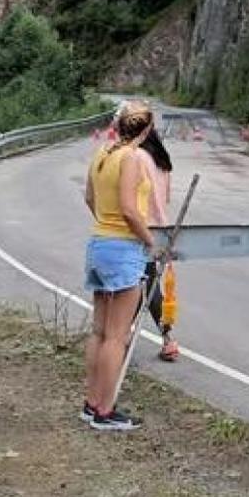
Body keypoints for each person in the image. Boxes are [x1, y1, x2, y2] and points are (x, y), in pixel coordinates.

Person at [80, 100, 155, 431]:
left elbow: (89, 197)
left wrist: (104, 224)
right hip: (124, 246)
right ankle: (106, 411)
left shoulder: (103, 153)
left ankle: (91, 402)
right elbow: (129, 207)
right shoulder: (134, 158)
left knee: (99, 330)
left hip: (99, 242)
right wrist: (148, 239)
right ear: (146, 129)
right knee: (117, 335)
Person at [138, 125, 180, 362]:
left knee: (143, 287)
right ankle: (166, 339)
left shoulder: (137, 159)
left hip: (141, 229)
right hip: (160, 228)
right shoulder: (162, 162)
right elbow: (166, 198)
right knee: (149, 284)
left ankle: (167, 339)